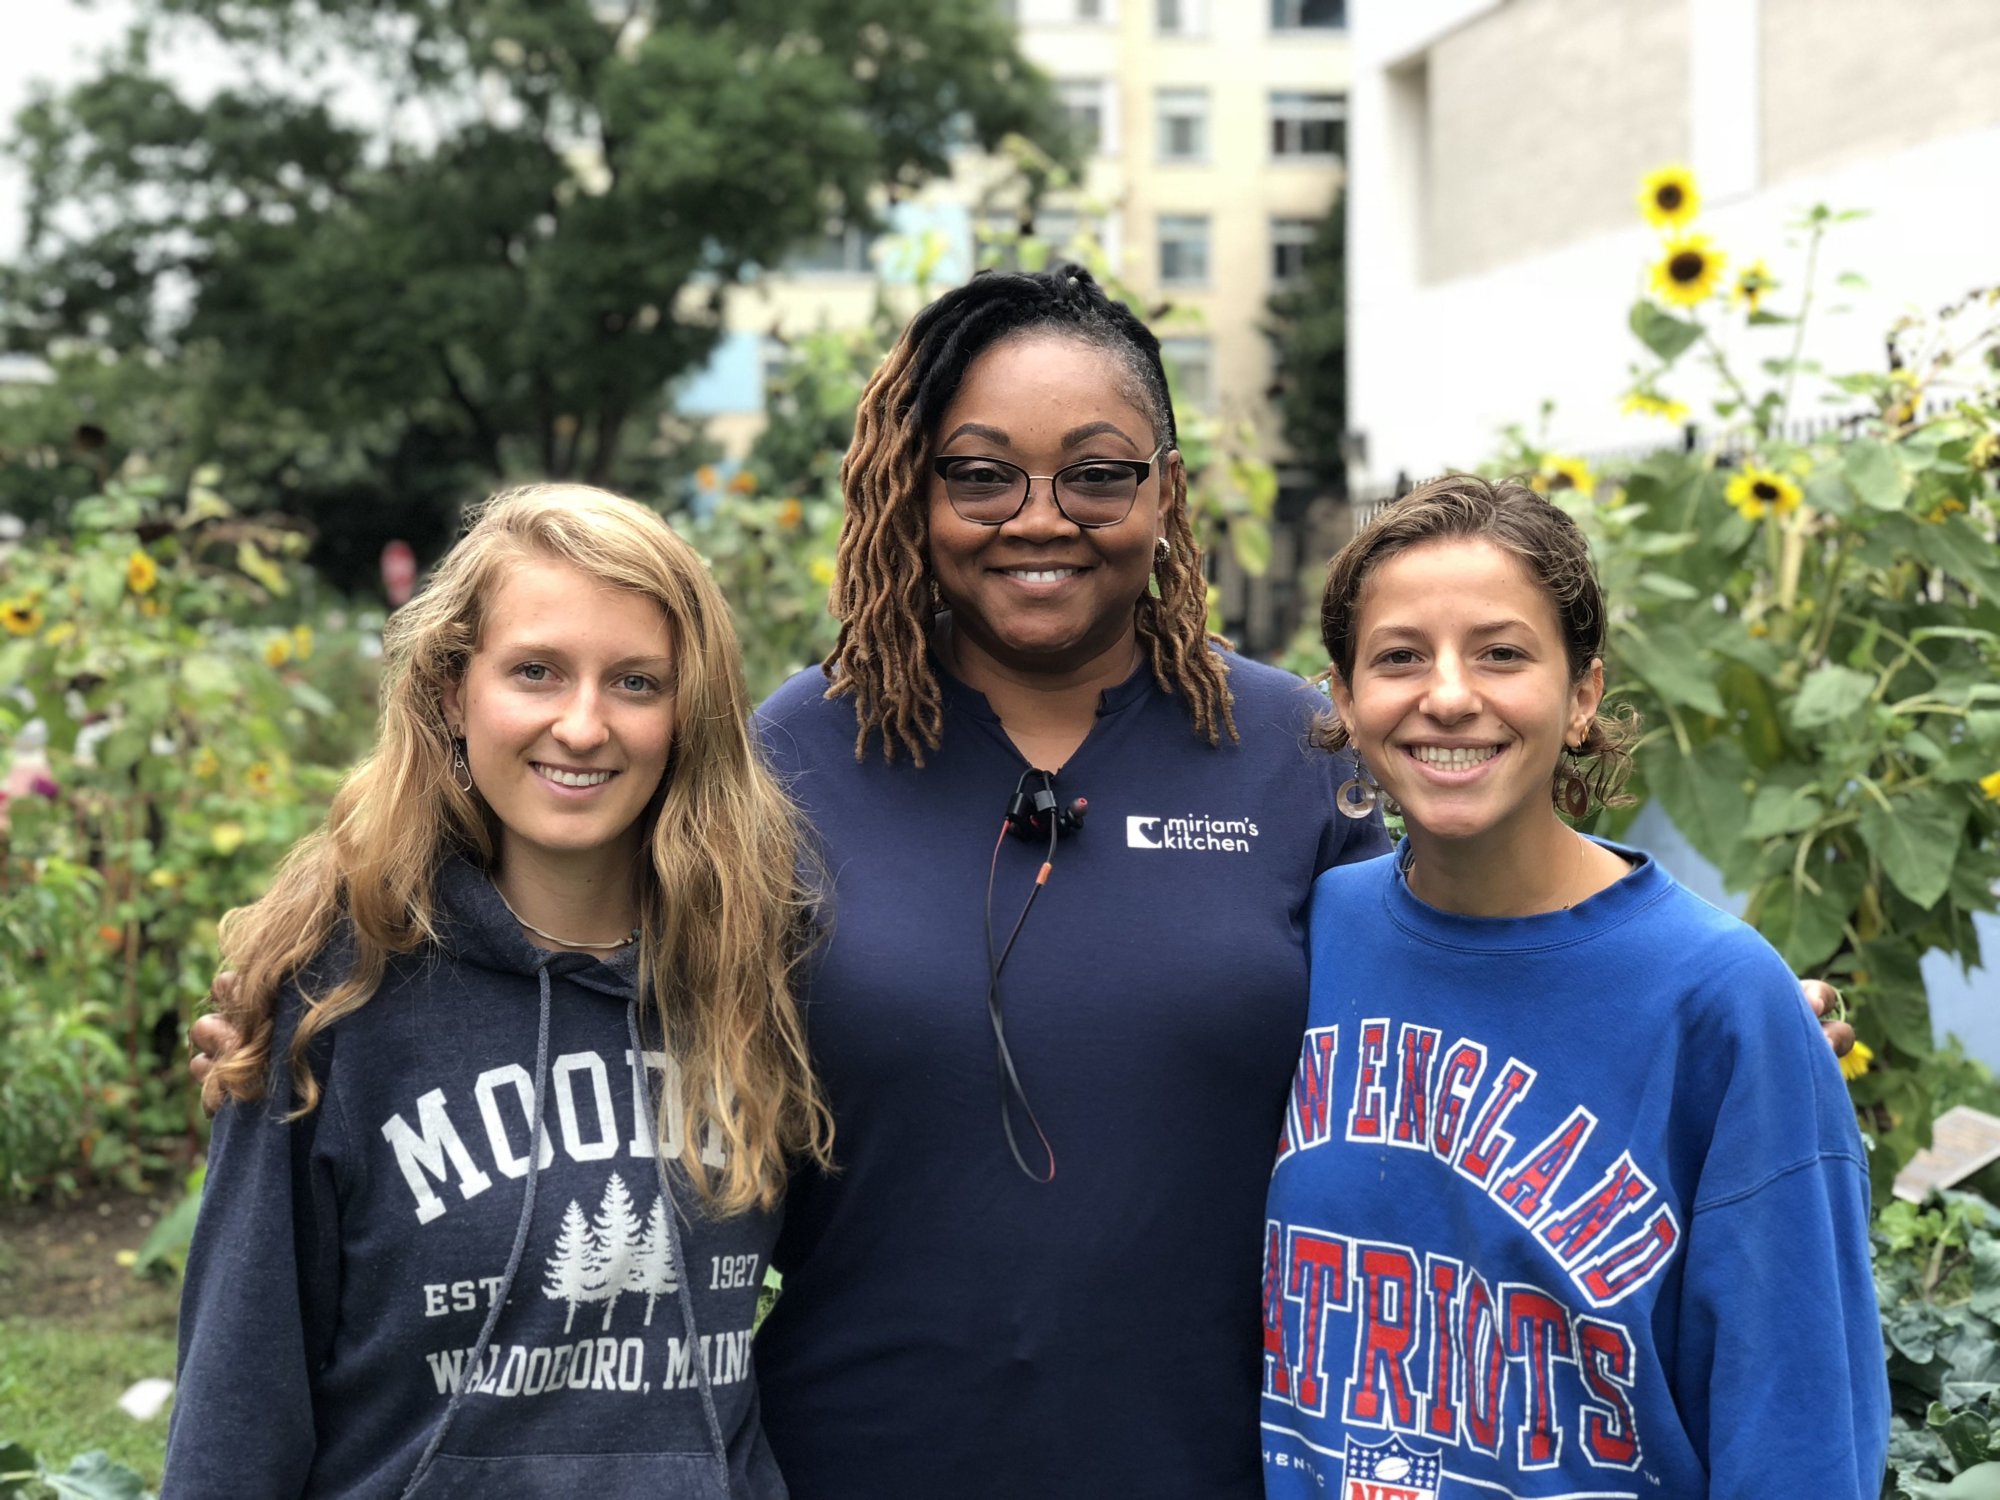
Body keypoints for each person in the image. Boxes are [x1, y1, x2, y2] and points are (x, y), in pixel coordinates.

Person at [192, 267, 1853, 1500]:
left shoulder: (1298, 758)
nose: (1036, 515)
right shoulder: (786, 761)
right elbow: (545, 838)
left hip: (1213, 1467)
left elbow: (1475, 950)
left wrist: (1727, 1005)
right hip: (852, 1463)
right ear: (911, 489)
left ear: (1167, 493)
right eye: (980, 470)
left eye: (1098, 470)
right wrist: (311, 951)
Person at [165, 485, 829, 1500]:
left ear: (686, 714)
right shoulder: (334, 993)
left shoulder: (759, 974)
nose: (582, 723)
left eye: (637, 682)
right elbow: (239, 1393)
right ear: (449, 693)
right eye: (534, 671)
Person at [1260, 475, 1887, 1498]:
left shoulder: (1720, 1000)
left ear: (1583, 693)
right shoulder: (1306, 938)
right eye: (1398, 657)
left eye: (1501, 652)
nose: (1448, 694)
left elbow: (1799, 1432)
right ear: (1341, 698)